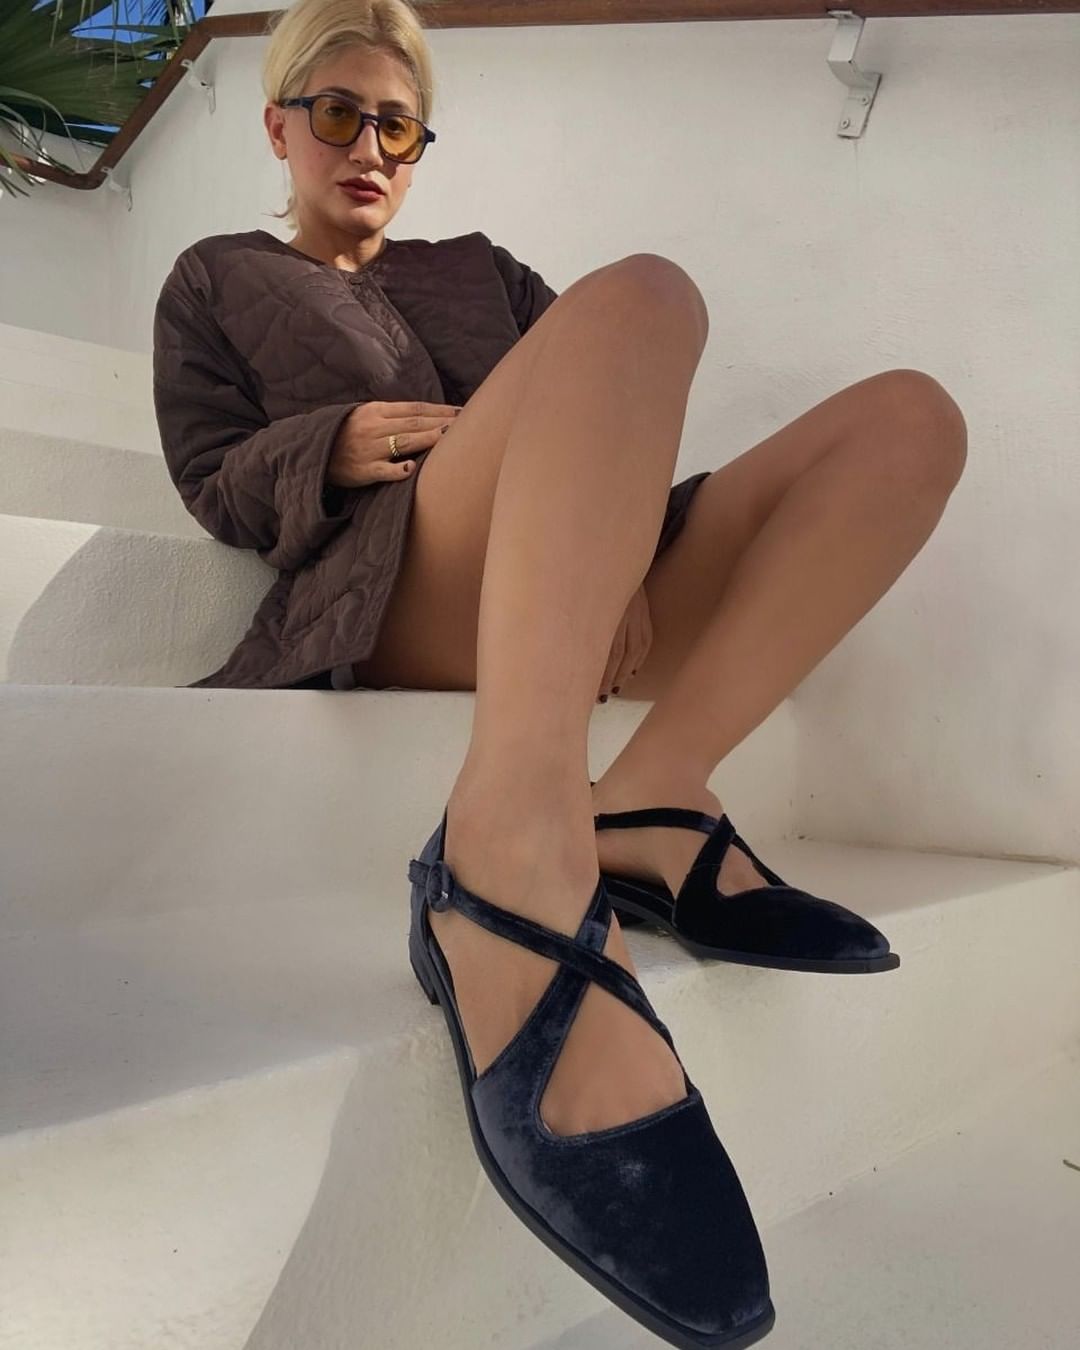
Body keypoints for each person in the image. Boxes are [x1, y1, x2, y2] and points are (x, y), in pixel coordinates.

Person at [153, 1, 967, 1343]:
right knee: (647, 289)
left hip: (579, 579)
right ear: (277, 126)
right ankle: (511, 847)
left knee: (906, 423)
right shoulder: (216, 277)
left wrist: (627, 558)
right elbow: (209, 478)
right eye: (339, 113)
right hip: (392, 578)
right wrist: (326, 444)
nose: (370, 147)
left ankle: (653, 793)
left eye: (399, 124)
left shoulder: (480, 270)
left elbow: (607, 405)